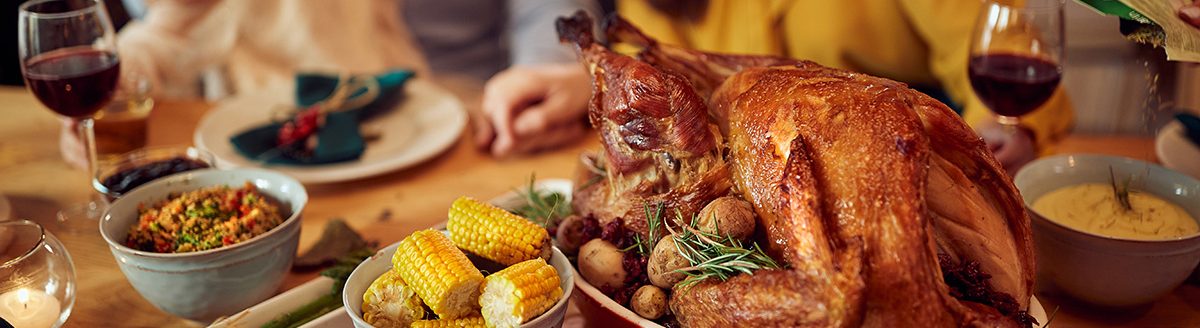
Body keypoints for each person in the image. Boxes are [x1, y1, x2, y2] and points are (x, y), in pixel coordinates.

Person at [475, 0, 1076, 174]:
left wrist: (998, 132)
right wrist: (578, 85)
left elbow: (1007, 53)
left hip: (910, 155)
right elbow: (674, 75)